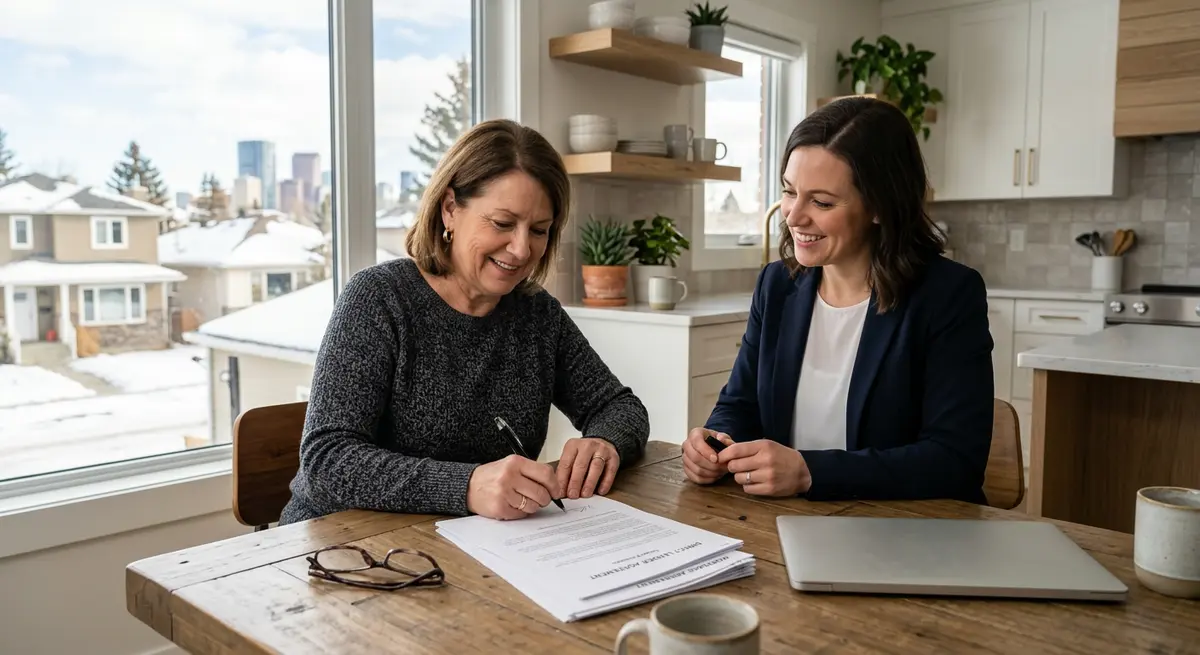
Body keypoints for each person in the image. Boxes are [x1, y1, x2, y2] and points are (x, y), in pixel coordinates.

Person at [279, 119, 650, 525]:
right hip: (343, 548)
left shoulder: (538, 314)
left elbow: (620, 406)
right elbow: (327, 460)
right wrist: (467, 485)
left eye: (539, 230)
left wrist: (604, 441)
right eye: (503, 223)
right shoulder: (380, 298)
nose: (522, 248)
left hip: (473, 550)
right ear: (451, 209)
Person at [681, 96, 994, 504]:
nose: (793, 216)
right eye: (790, 192)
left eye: (822, 202)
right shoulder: (777, 286)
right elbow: (740, 404)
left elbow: (955, 461)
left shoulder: (948, 295)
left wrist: (810, 472)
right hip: (789, 525)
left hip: (908, 536)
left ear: (881, 206)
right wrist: (714, 442)